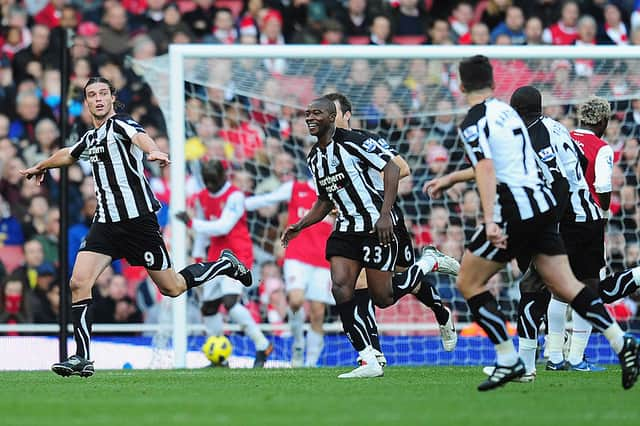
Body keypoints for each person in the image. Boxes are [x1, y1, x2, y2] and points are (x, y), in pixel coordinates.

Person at [424, 56, 638, 391]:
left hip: (516, 212)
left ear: (461, 86)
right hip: (547, 210)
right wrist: (453, 177)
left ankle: (509, 359)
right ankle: (622, 342)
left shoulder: (474, 122)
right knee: (568, 287)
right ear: (494, 84)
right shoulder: (512, 116)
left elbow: (487, 169)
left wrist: (491, 218)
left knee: (468, 281)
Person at [19, 77, 252, 378]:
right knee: (78, 282)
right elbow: (69, 152)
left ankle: (223, 264)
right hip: (105, 223)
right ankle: (82, 357)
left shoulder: (122, 125)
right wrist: (41, 166)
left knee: (173, 287)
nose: (98, 98)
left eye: (104, 93)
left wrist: (154, 152)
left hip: (138, 222)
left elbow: (141, 137)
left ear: (113, 98)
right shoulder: (91, 138)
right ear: (87, 102)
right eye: (92, 95)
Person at [281, 97, 459, 379]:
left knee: (385, 296)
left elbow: (395, 167)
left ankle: (429, 265)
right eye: (308, 114)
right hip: (347, 228)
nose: (310, 118)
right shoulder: (314, 157)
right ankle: (369, 356)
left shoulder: (358, 141)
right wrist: (300, 225)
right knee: (341, 287)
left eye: (318, 113)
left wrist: (384, 212)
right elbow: (325, 199)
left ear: (336, 116)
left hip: (381, 224)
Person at [179, 159, 273, 368]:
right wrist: (197, 257)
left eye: (213, 181)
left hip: (237, 256)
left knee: (230, 303)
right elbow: (204, 234)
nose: (210, 185)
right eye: (207, 181)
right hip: (214, 257)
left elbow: (223, 227)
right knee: (209, 308)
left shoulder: (236, 196)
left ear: (224, 177)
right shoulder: (202, 197)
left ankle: (262, 344)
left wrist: (192, 223)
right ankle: (219, 356)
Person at [245, 169, 335, 368]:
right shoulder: (296, 188)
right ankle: (298, 344)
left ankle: (310, 364)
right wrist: (239, 203)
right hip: (297, 256)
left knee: (318, 313)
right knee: (295, 301)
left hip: (323, 259)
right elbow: (268, 199)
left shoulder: (336, 194)